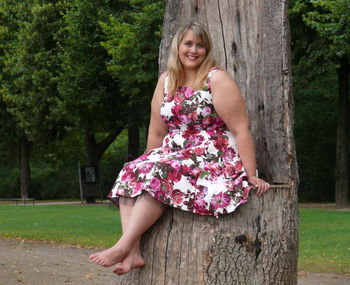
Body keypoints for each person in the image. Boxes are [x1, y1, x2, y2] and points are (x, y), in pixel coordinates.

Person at [90, 21, 270, 275]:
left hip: (212, 153)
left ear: (207, 50)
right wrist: (147, 162)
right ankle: (132, 253)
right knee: (133, 170)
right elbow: (156, 131)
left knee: (163, 172)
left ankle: (122, 246)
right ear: (178, 46)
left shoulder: (215, 79)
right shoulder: (166, 81)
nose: (194, 50)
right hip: (175, 151)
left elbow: (241, 129)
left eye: (200, 45)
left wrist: (250, 174)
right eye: (188, 44)